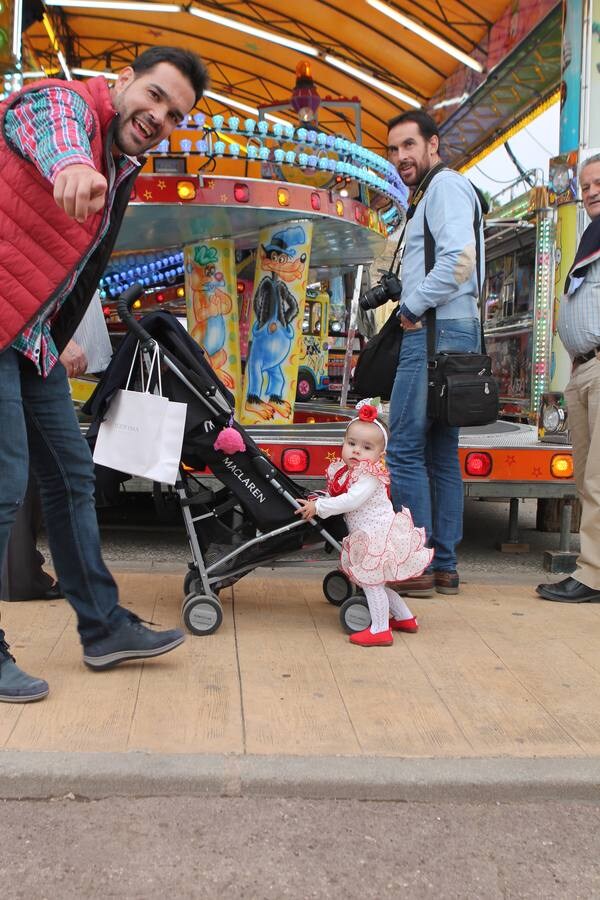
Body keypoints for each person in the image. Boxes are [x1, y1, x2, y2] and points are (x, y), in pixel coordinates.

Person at [0, 46, 209, 703]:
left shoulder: (123, 168)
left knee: (72, 476)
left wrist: (52, 334)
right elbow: (51, 132)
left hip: (28, 338)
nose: (158, 116)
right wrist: (70, 164)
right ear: (122, 82)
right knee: (5, 486)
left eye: (174, 114)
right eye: (153, 96)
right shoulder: (62, 106)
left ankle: (104, 628)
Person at [384, 110, 484, 597]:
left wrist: (411, 303)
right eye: (394, 149)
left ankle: (414, 564)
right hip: (454, 330)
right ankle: (443, 564)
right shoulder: (435, 192)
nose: (401, 156)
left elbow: (458, 259)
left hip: (433, 332)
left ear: (433, 145)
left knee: (403, 448)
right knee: (441, 453)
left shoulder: (444, 187)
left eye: (409, 145)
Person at [295, 400, 432, 646]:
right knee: (376, 582)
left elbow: (350, 501)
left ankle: (380, 630)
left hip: (376, 537)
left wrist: (320, 507)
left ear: (380, 455)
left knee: (371, 584)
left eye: (366, 447)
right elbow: (339, 495)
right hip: (368, 535)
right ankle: (405, 618)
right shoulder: (347, 472)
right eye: (351, 444)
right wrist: (319, 498)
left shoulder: (369, 476)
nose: (356, 451)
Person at [537, 154, 600, 603]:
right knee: (585, 480)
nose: (592, 190)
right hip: (584, 368)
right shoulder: (589, 236)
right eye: (587, 184)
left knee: (597, 480)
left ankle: (593, 574)